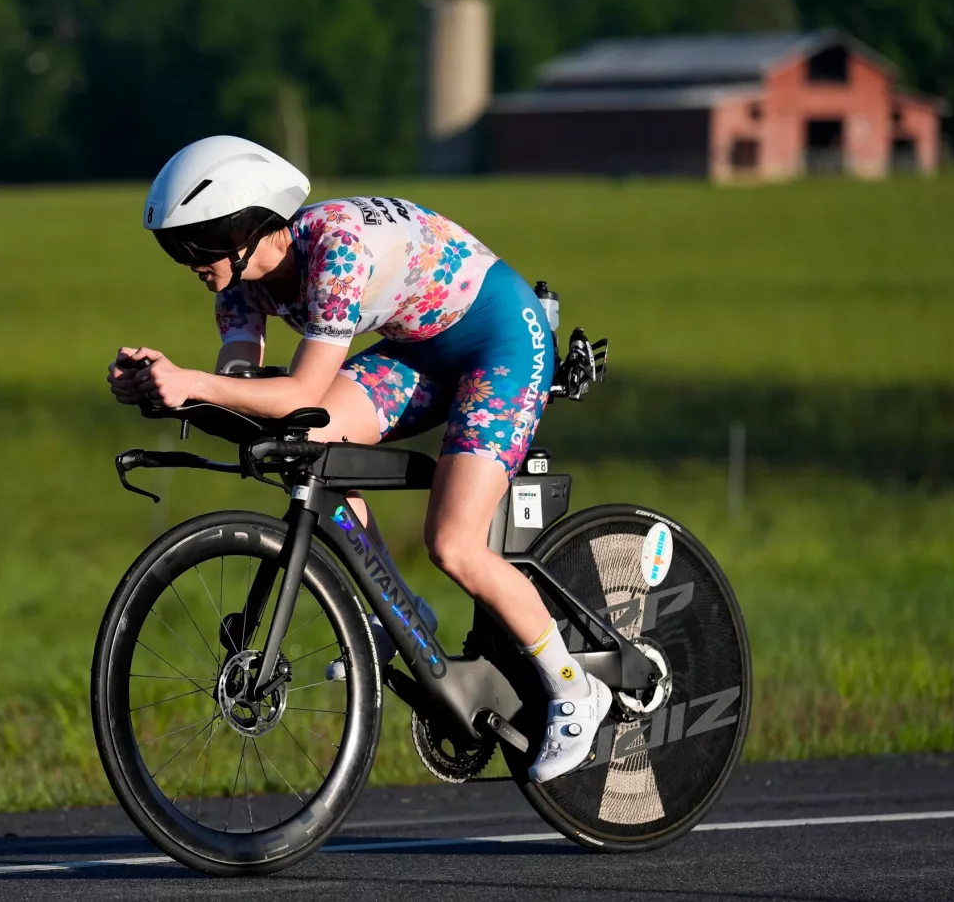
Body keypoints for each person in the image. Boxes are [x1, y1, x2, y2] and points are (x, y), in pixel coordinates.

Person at [108, 135, 609, 782]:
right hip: (421, 350)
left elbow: (299, 391)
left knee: (454, 543)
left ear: (241, 226)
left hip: (501, 341)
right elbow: (251, 402)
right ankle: (395, 611)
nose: (188, 262)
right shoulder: (238, 286)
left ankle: (574, 686)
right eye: (177, 248)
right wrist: (159, 391)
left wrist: (194, 381)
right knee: (306, 442)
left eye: (195, 244)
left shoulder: (335, 250)